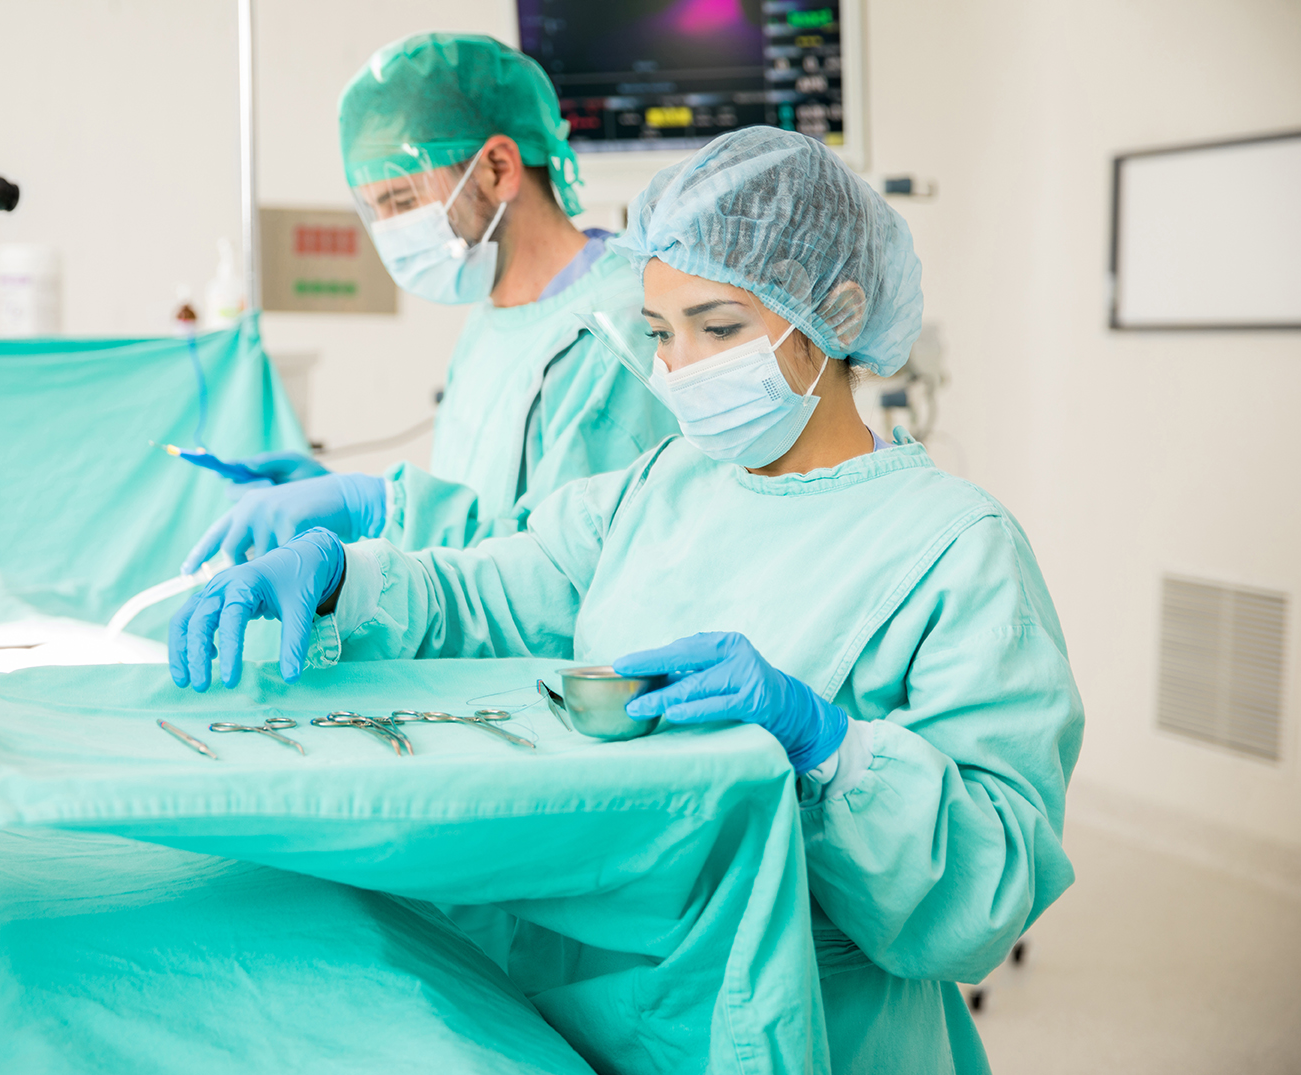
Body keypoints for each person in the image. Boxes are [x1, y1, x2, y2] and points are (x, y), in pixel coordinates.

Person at [167, 126, 1083, 1074]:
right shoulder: (663, 483)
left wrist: (829, 748)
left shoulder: (956, 548)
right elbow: (496, 591)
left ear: (838, 309)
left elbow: (986, 897)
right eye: (659, 332)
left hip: (813, 1022)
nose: (681, 367)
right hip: (578, 999)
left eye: (718, 328)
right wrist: (341, 576)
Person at [177, 32, 676, 575]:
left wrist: (379, 507)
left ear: (499, 169)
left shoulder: (613, 333)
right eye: (376, 210)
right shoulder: (493, 320)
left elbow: (560, 576)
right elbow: (478, 511)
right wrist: (349, 504)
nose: (390, 232)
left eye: (402, 201)